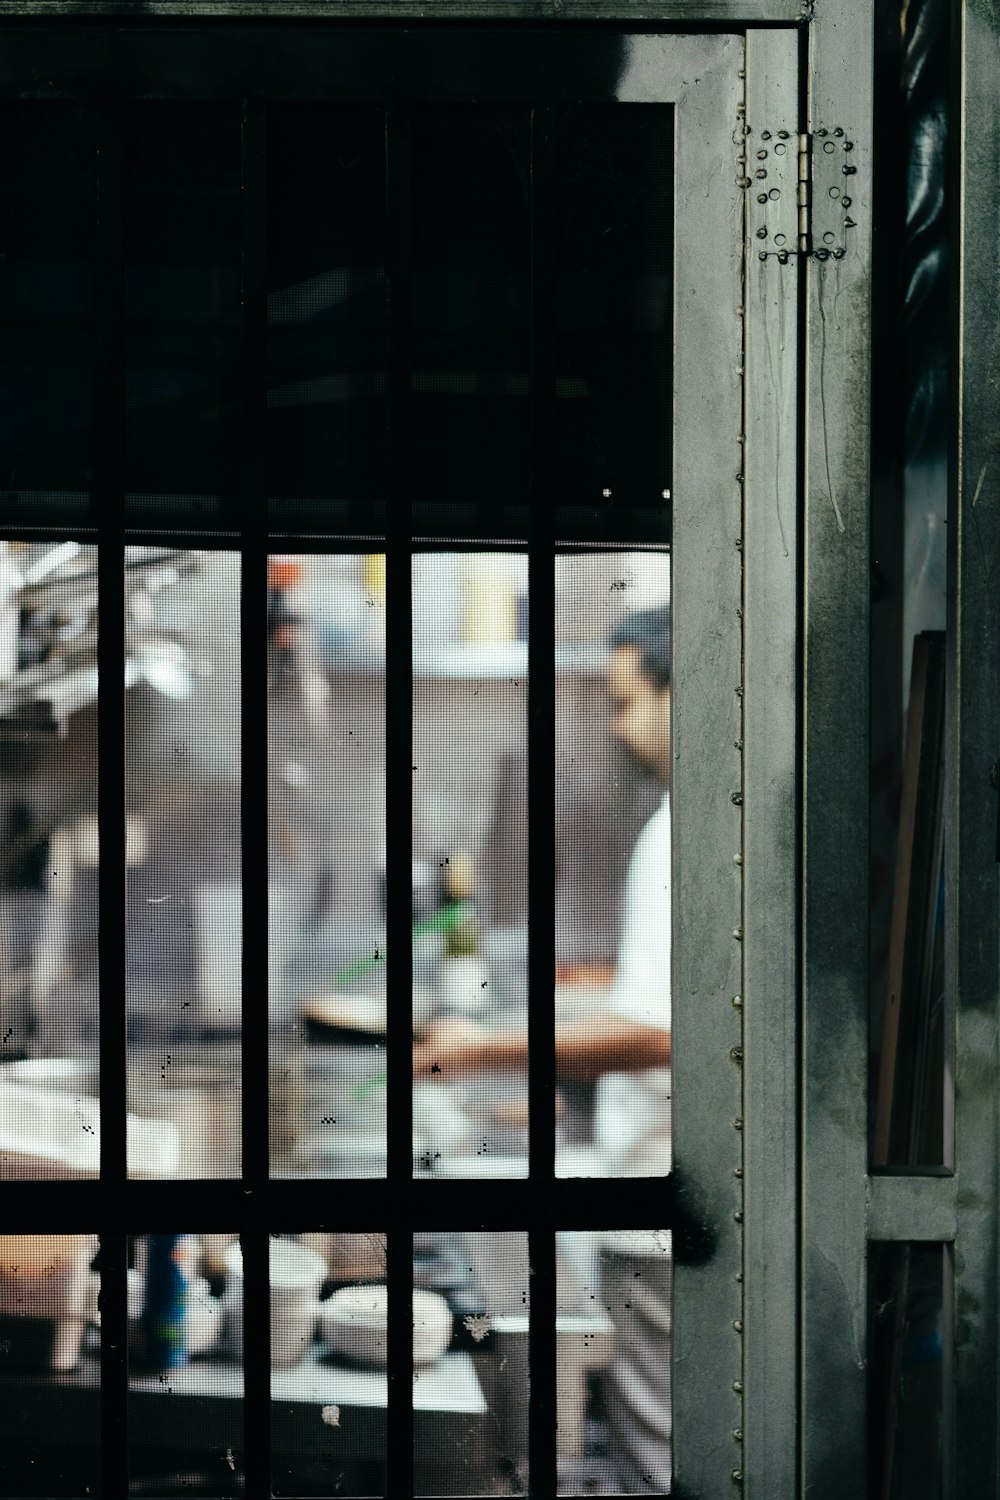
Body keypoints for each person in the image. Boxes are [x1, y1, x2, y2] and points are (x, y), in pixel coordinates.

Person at [413, 604, 673, 1492]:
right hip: (656, 1196)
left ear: (685, 696)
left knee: (657, 1463)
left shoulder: (678, 835)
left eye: (627, 699)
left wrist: (482, 1049)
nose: (617, 723)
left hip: (667, 1207)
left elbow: (661, 1036)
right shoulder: (689, 824)